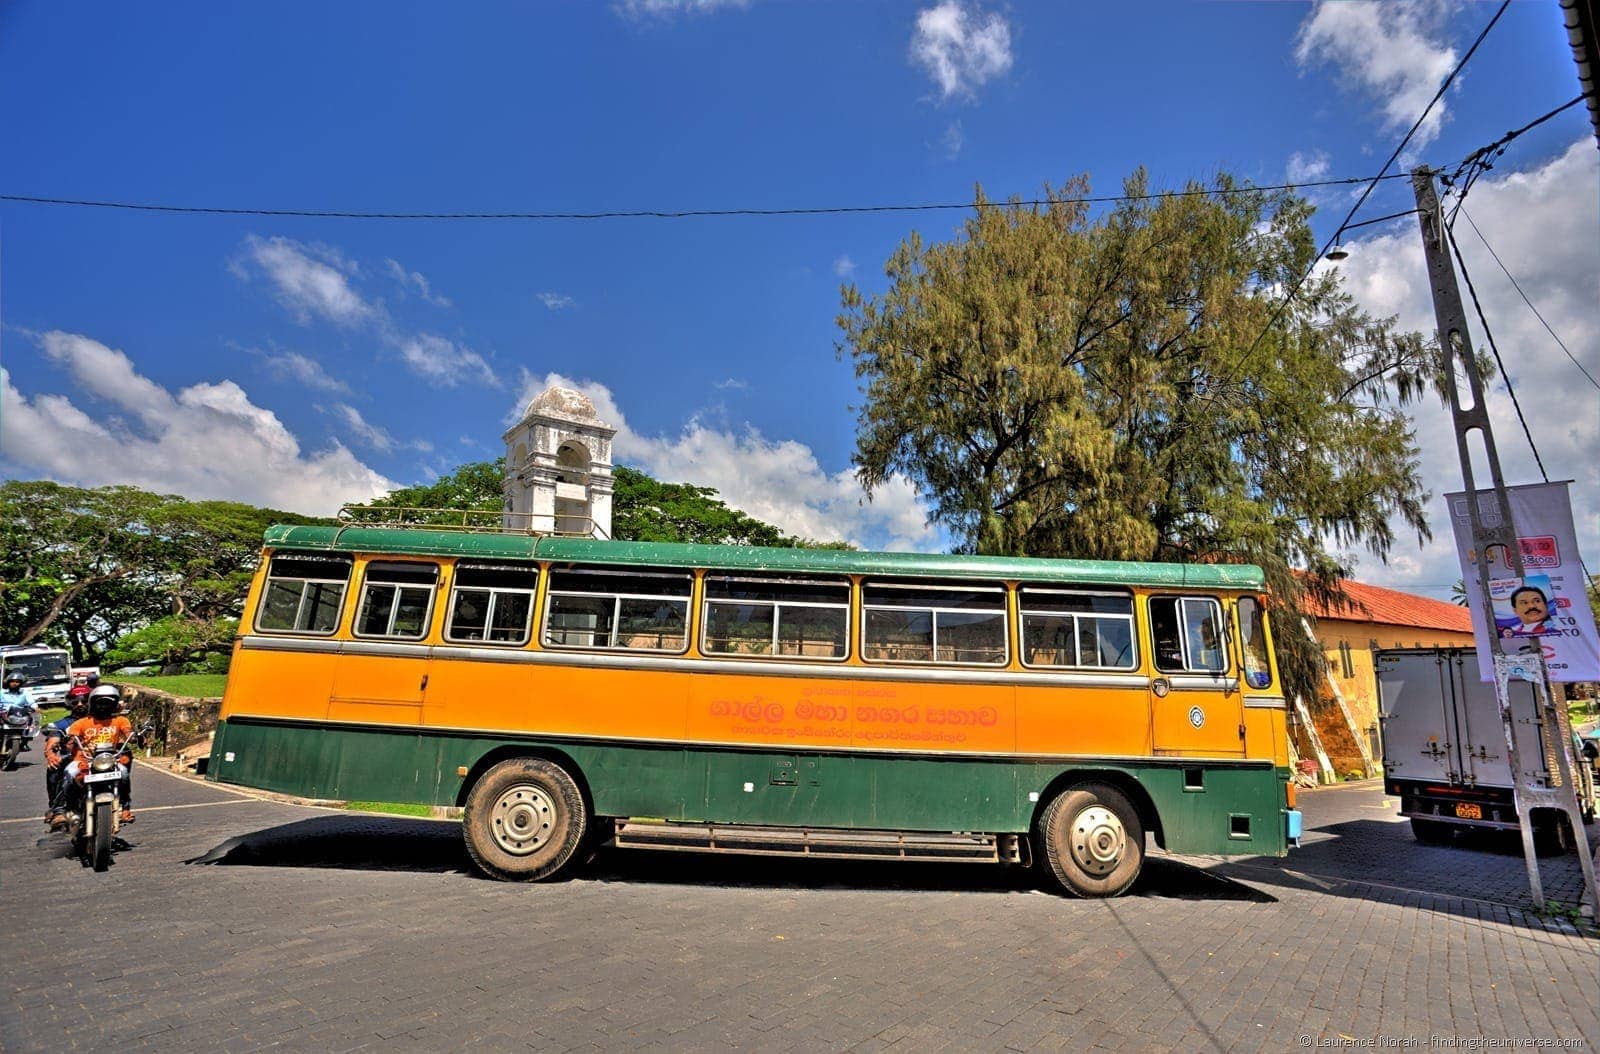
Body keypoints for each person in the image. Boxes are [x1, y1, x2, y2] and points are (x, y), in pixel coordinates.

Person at [59, 685, 136, 826]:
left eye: (108, 703)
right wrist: (68, 740)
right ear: (93, 704)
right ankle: (69, 808)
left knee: (124, 773)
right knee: (69, 773)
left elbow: (128, 732)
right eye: (100, 703)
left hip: (109, 760)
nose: (103, 707)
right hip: (83, 760)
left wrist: (133, 737)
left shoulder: (120, 721)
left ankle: (125, 808)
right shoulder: (81, 723)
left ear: (114, 705)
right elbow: (72, 737)